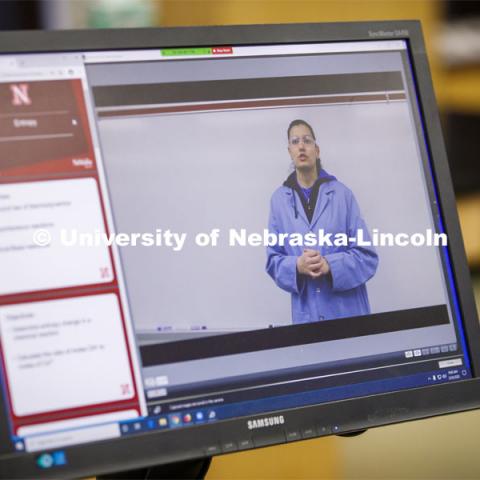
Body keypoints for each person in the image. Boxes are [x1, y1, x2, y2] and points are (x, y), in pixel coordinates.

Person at [266, 119, 379, 324]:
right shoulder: (278, 201)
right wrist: (297, 266)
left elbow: (367, 257)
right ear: (289, 151)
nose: (301, 146)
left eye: (307, 140)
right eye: (295, 141)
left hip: (349, 313)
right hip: (307, 317)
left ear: (316, 150)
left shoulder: (343, 195)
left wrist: (330, 265)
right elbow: (273, 261)